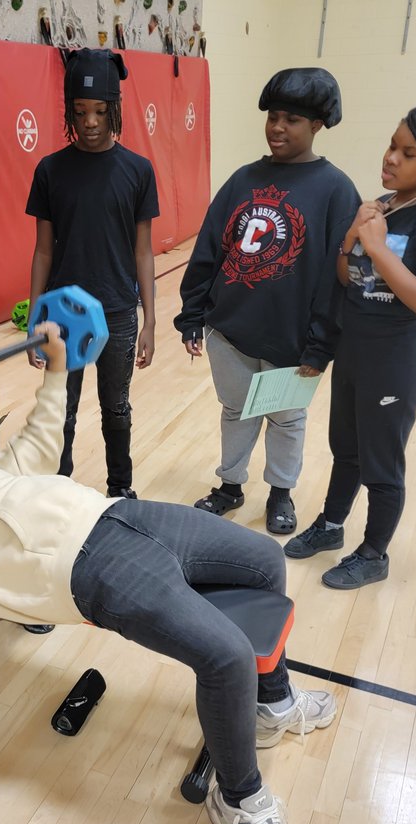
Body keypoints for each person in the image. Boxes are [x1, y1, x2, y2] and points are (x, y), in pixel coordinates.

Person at [0, 323, 336, 824]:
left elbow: (38, 441)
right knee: (225, 656)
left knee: (263, 562)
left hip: (122, 516)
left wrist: (57, 366)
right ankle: (241, 802)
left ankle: (271, 704)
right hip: (91, 571)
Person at [284, 102, 416, 589]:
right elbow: (345, 276)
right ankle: (332, 527)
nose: (392, 158)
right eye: (392, 145)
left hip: (396, 362)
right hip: (355, 352)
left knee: (381, 462)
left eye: (408, 152)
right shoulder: (384, 206)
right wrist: (354, 235)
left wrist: (376, 246)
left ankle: (374, 553)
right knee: (346, 450)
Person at [175, 68, 359, 535]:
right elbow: (209, 249)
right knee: (235, 411)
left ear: (317, 125)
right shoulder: (243, 179)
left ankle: (281, 492)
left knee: (285, 418)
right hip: (230, 330)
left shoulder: (336, 190)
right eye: (273, 117)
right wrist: (193, 313)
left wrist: (322, 345)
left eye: (291, 120)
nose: (278, 127)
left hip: (293, 339)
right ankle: (230, 485)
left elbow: (339, 279)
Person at [25, 48, 159, 500]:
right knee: (61, 407)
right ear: (68, 111)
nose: (91, 121)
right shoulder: (50, 170)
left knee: (115, 406)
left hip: (119, 311)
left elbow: (143, 252)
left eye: (101, 111)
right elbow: (43, 251)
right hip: (64, 315)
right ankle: (59, 492)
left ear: (115, 109)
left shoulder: (138, 171)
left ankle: (120, 489)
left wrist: (151, 320)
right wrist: (33, 320)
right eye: (80, 111)